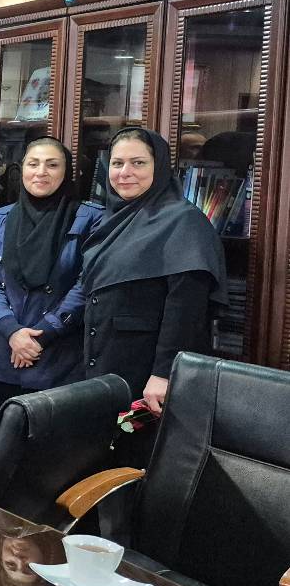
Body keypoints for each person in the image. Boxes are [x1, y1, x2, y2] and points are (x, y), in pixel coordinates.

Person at [79, 127, 227, 418]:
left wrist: (164, 373)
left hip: (148, 371)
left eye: (138, 163)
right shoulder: (111, 219)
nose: (125, 172)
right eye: (117, 163)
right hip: (106, 360)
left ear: (159, 167)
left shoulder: (184, 221)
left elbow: (186, 307)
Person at [0, 138, 104, 422]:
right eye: (33, 164)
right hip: (5, 353)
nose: (41, 172)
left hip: (59, 357)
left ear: (67, 172)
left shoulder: (90, 218)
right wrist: (12, 332)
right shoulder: (2, 218)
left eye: (52, 165)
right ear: (22, 169)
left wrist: (42, 335)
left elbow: (87, 284)